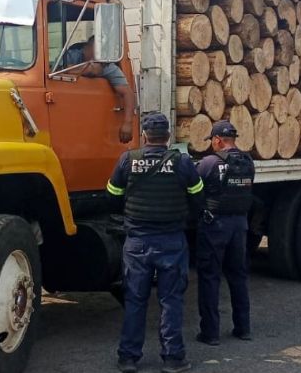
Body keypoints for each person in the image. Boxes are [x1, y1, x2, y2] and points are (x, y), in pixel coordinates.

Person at [106, 112, 205, 373]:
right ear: (168, 138)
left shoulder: (128, 160)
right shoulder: (182, 162)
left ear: (144, 136)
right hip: (172, 241)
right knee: (170, 301)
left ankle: (128, 358)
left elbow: (112, 194)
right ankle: (173, 359)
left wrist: (129, 214)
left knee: (135, 300)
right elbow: (198, 197)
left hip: (137, 242)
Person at [194, 121, 255, 346]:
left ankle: (210, 333)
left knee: (210, 277)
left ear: (218, 140)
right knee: (238, 276)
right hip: (240, 225)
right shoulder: (248, 161)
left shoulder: (209, 162)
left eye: (212, 140)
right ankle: (243, 328)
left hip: (215, 226)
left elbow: (193, 186)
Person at [64, 36, 135, 143]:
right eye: (97, 50)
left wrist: (127, 123)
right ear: (87, 47)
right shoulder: (72, 54)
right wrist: (87, 69)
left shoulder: (106, 65)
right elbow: (56, 70)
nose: (99, 56)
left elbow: (127, 93)